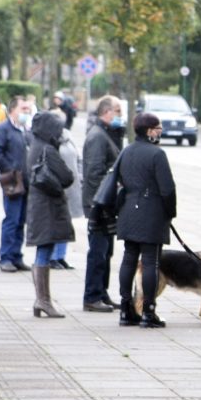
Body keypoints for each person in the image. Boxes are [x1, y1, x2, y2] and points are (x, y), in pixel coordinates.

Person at [116, 113, 177, 328]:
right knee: (151, 261)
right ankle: (148, 312)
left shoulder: (126, 151)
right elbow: (168, 189)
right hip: (151, 213)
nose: (160, 131)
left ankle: (126, 309)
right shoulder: (157, 154)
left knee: (129, 258)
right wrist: (170, 213)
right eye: (158, 128)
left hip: (128, 212)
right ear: (150, 130)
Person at [25, 112, 75, 318]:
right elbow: (67, 176)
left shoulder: (34, 146)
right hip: (49, 208)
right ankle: (43, 300)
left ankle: (42, 300)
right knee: (45, 250)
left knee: (42, 250)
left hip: (38, 206)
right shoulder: (48, 150)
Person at [82, 96, 124, 312]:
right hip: (99, 205)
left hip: (106, 204)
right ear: (107, 111)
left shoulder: (107, 134)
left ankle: (102, 292)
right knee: (98, 253)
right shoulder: (98, 136)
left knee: (106, 252)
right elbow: (94, 174)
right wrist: (101, 202)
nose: (120, 115)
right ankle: (91, 296)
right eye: (118, 110)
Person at [0, 95, 32, 272]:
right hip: (13, 182)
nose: (26, 112)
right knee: (11, 220)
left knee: (21, 220)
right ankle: (6, 257)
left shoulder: (23, 130)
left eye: (28, 109)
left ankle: (16, 256)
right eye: (23, 109)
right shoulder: (3, 130)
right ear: (12, 110)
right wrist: (11, 169)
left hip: (25, 182)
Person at [50, 125, 83, 270]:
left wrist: (80, 177)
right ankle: (53, 257)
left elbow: (79, 160)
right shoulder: (50, 142)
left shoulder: (69, 139)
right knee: (56, 224)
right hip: (59, 189)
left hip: (72, 187)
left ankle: (60, 256)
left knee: (66, 225)